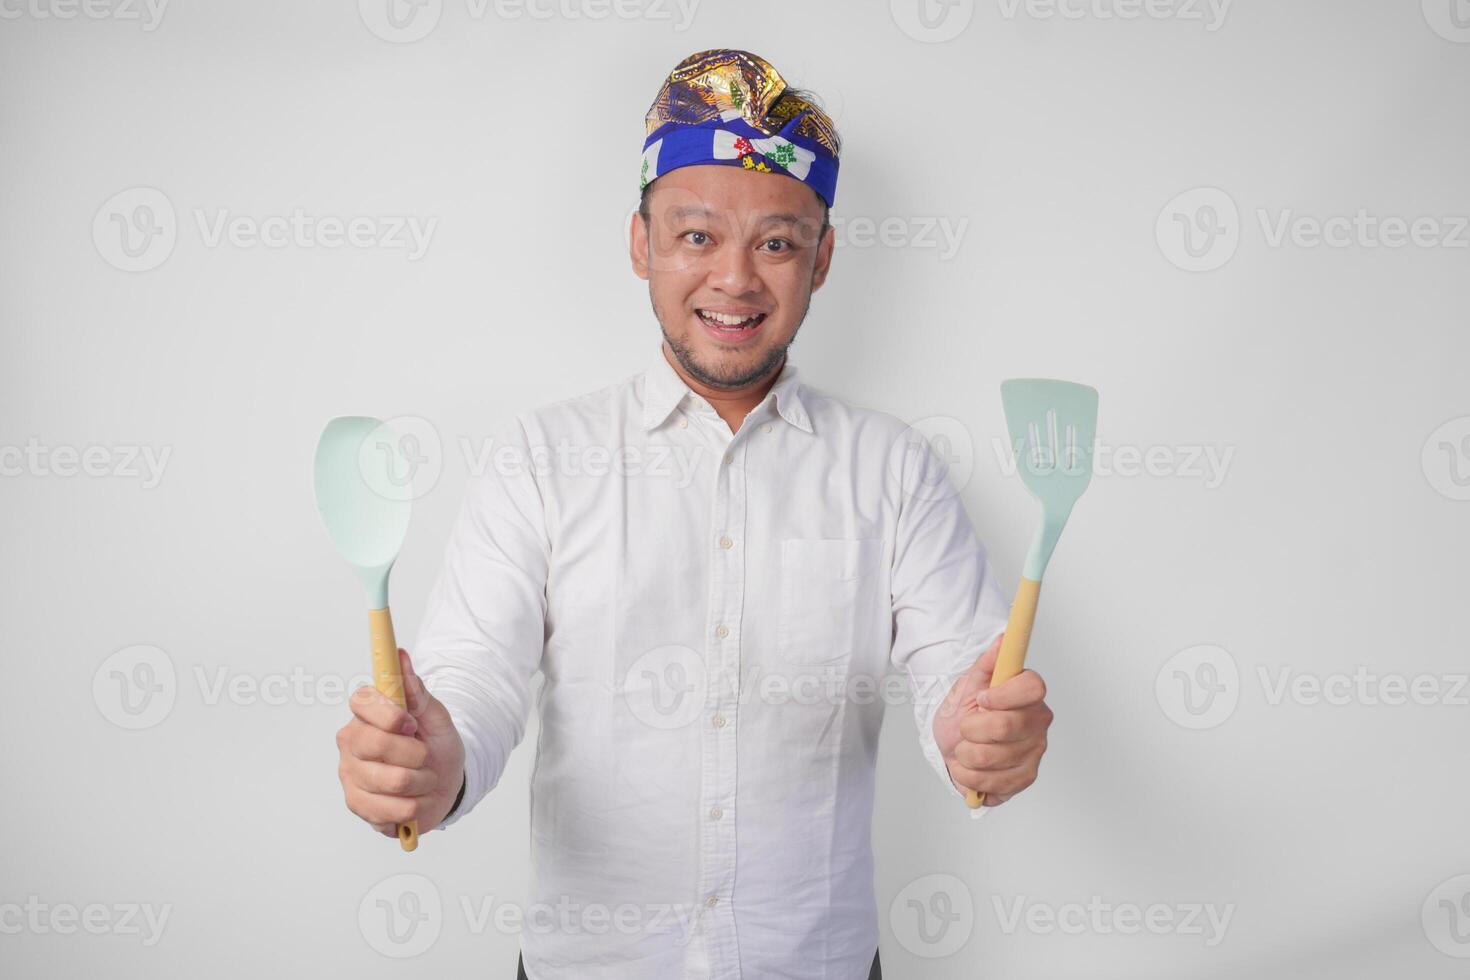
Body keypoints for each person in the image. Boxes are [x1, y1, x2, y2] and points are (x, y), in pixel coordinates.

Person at [334, 48, 1054, 980]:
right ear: (641, 244)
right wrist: (435, 763)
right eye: (697, 237)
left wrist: (981, 733)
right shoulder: (541, 459)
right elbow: (475, 673)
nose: (737, 280)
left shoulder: (893, 469)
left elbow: (962, 672)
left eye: (779, 242)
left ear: (822, 259)